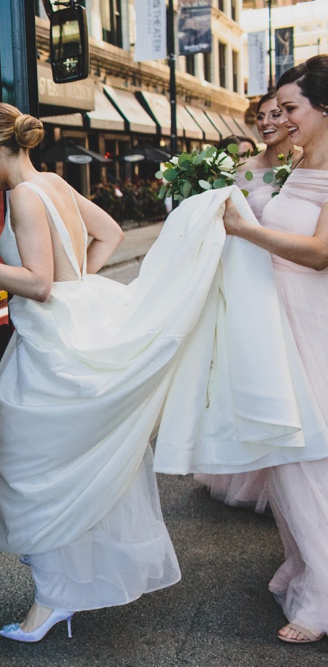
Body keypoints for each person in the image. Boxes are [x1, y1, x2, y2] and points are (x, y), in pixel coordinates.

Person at [0, 102, 182, 642]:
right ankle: (61, 582)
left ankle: (54, 595)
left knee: (25, 458)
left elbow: (36, 283)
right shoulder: (55, 183)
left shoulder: (20, 196)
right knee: (55, 460)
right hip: (71, 327)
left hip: (46, 342)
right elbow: (108, 235)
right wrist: (79, 283)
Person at [221, 55, 328, 644]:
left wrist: (245, 228)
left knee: (305, 457)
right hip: (280, 324)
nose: (280, 119)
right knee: (283, 454)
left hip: (313, 326)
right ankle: (306, 562)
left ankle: (323, 595)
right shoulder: (300, 165)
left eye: (290, 109)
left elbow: (319, 252)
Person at [195, 89, 297, 512]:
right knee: (264, 375)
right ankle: (264, 474)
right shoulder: (242, 171)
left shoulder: (309, 165)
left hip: (300, 278)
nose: (267, 121)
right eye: (261, 115)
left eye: (277, 112)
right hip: (257, 284)